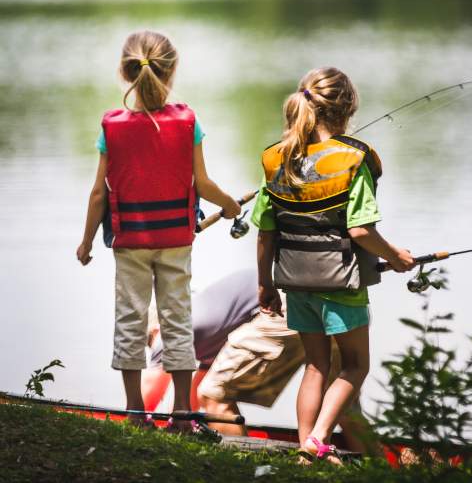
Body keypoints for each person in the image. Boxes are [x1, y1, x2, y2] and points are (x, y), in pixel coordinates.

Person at [76, 30, 240, 429]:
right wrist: (230, 205)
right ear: (172, 71)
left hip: (130, 241)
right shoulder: (187, 122)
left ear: (124, 71)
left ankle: (135, 413)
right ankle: (182, 413)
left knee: (131, 320)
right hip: (175, 240)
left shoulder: (112, 126)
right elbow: (203, 183)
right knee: (176, 320)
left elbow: (100, 193)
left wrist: (85, 242)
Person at [252, 67, 415, 463]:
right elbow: (361, 232)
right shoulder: (355, 158)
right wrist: (396, 257)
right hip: (341, 283)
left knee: (315, 365)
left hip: (294, 281)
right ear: (347, 109)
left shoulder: (279, 158)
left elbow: (265, 233)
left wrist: (265, 285)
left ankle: (306, 450)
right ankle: (319, 438)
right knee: (356, 365)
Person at [143, 269, 376, 454]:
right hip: (326, 296)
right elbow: (194, 399)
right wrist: (185, 424)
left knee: (216, 396)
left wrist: (138, 424)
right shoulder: (207, 330)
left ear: (154, 328)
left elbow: (146, 401)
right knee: (342, 405)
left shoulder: (167, 330)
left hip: (282, 304)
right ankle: (379, 469)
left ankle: (237, 462)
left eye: (149, 342)